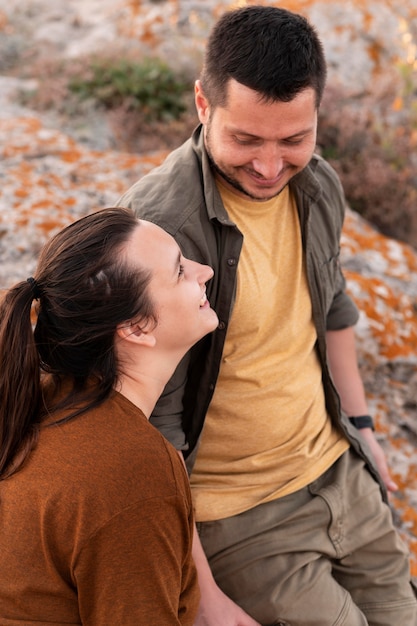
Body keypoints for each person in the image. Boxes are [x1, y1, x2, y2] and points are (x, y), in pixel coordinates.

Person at [116, 5, 417, 626]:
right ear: (203, 104)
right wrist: (202, 595)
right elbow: (148, 430)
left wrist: (360, 424)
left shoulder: (319, 186)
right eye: (246, 139)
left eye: (294, 140)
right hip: (239, 516)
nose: (270, 166)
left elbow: (332, 309)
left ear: (316, 116)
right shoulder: (158, 231)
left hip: (340, 476)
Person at [0, 207, 219, 625]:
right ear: (136, 327)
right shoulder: (133, 469)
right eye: (179, 271)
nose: (205, 270)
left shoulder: (38, 398)